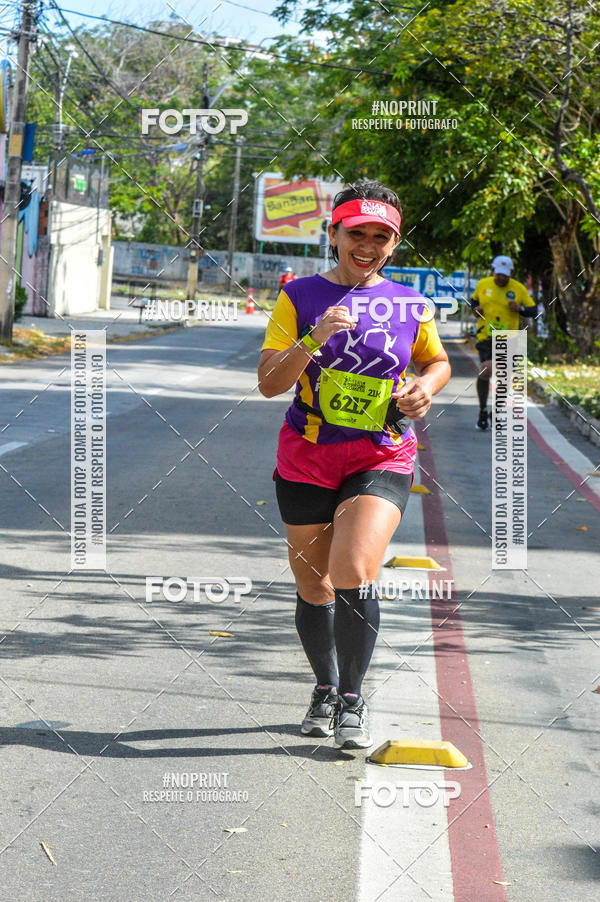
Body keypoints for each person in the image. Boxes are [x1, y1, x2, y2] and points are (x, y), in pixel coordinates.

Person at [257, 180, 451, 750]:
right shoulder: (298, 297)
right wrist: (313, 338)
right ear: (334, 234)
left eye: (381, 236)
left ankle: (351, 699)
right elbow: (270, 384)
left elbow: (435, 361)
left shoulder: (409, 304)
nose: (367, 245)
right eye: (356, 233)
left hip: (381, 452)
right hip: (307, 454)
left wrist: (426, 388)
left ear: (395, 242)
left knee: (354, 571)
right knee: (313, 585)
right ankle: (324, 685)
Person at [470, 255, 537, 431]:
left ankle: (496, 412)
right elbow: (474, 302)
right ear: (494, 271)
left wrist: (520, 309)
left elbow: (533, 310)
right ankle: (483, 410)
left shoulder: (519, 289)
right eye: (499, 274)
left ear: (510, 274)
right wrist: (476, 310)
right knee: (487, 369)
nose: (501, 278)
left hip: (510, 338)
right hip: (487, 337)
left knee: (504, 378)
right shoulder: (483, 284)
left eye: (505, 275)